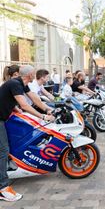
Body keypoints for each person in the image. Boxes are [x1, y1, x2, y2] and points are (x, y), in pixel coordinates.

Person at [0, 65, 55, 202]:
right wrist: (42, 117)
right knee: (3, 150)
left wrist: (47, 108)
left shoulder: (20, 83)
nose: (34, 75)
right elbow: (25, 105)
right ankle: (2, 188)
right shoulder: (15, 83)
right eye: (34, 73)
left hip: (3, 118)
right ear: (30, 75)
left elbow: (34, 97)